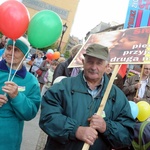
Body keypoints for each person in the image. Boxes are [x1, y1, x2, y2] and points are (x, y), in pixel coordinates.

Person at [39, 43, 135, 150]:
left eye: (99, 63)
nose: (94, 67)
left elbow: (126, 135)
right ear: (83, 62)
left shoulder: (117, 97)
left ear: (107, 66)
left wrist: (106, 127)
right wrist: (75, 130)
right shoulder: (62, 87)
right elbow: (47, 118)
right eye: (90, 62)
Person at [0, 36, 41, 150]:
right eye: (8, 48)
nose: (10, 53)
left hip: (9, 139)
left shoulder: (31, 81)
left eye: (16, 50)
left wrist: (17, 96)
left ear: (25, 55)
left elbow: (31, 113)